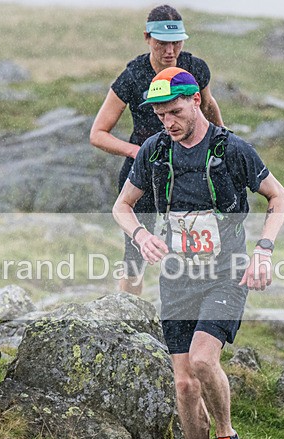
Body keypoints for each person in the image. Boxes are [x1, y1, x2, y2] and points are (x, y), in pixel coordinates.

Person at [112, 67, 284, 439]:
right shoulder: (155, 151)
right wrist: (141, 236)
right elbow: (122, 206)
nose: (168, 123)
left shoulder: (232, 149)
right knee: (184, 384)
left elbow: (278, 196)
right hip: (177, 277)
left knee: (204, 360)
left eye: (175, 112)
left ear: (196, 101)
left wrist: (263, 250)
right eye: (160, 116)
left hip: (225, 273)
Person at [91, 4, 224, 296]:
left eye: (176, 42)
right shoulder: (133, 76)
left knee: (193, 249)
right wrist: (137, 152)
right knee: (135, 258)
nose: (170, 50)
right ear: (147, 38)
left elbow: (207, 107)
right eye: (162, 42)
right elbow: (98, 134)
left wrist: (222, 144)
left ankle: (190, 311)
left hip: (189, 170)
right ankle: (127, 314)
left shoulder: (195, 68)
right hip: (144, 173)